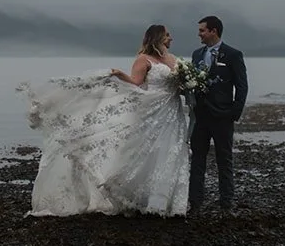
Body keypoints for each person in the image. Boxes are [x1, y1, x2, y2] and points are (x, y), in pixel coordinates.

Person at [21, 24, 192, 217]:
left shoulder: (173, 59)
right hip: (153, 108)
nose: (171, 38)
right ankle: (136, 194)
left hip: (172, 109)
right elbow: (136, 84)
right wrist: (120, 76)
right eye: (167, 35)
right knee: (147, 150)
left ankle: (164, 201)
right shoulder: (143, 60)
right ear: (158, 37)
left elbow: (179, 84)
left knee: (171, 150)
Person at [189, 15, 248, 211]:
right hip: (201, 116)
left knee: (225, 159)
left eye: (202, 31)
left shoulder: (233, 55)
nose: (199, 34)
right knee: (197, 159)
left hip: (223, 116)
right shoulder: (197, 54)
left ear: (213, 31)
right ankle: (195, 202)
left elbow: (242, 86)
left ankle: (226, 202)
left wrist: (234, 113)